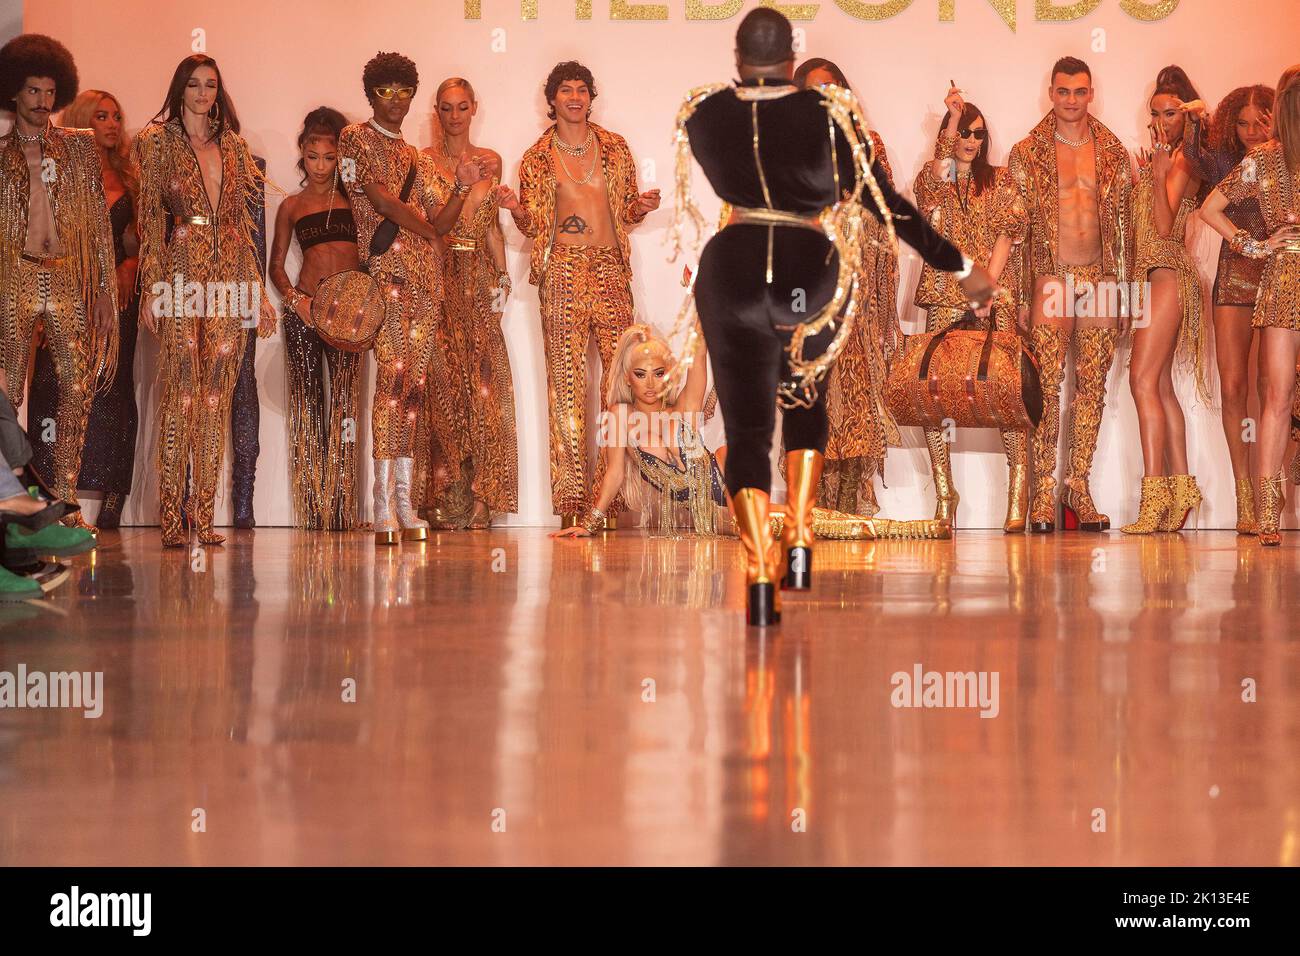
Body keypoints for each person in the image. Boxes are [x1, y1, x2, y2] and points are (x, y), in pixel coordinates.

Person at [674, 8, 993, 625]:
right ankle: (798, 531)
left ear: (739, 61)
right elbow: (892, 209)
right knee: (804, 406)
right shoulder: (832, 130)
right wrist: (959, 265)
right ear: (791, 68)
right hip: (800, 265)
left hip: (739, 265)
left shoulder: (709, 113)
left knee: (752, 426)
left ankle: (764, 562)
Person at [549, 325, 948, 540]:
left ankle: (910, 531)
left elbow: (699, 356)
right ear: (627, 378)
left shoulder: (682, 409)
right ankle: (900, 530)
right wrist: (590, 522)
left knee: (797, 523)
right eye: (640, 375)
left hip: (730, 474)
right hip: (719, 511)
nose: (650, 384)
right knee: (791, 522)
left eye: (658, 373)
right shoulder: (619, 417)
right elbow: (615, 474)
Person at [338, 51, 496, 544]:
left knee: (411, 393)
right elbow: (380, 200)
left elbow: (444, 225)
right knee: (389, 387)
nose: (395, 100)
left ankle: (405, 503)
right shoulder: (354, 139)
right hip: (387, 277)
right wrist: (427, 227)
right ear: (370, 94)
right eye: (385, 91)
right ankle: (381, 501)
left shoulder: (415, 157)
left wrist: (459, 189)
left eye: (404, 91)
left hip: (428, 284)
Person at [497, 60, 660, 528]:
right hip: (563, 272)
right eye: (565, 90)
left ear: (591, 97)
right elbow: (533, 224)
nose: (574, 97)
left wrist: (641, 206)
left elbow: (626, 211)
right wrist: (514, 210)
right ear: (552, 100)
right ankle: (571, 503)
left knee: (620, 384)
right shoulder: (536, 157)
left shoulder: (614, 148)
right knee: (565, 387)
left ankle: (611, 500)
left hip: (610, 267)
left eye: (582, 90)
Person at [133, 54, 276, 547]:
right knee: (180, 392)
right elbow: (150, 219)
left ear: (219, 90)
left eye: (210, 84)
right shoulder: (156, 144)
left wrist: (256, 292)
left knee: (216, 396)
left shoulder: (234, 148)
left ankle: (203, 514)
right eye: (193, 84)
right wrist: (152, 287)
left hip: (231, 269)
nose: (202, 93)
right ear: (179, 89)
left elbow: (244, 224)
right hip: (179, 268)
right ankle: (172, 516)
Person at [1008, 55, 1135, 534]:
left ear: (1091, 93)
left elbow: (1124, 227)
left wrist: (1124, 290)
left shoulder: (1113, 150)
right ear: (1051, 93)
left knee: (1092, 386)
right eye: (1063, 91)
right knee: (1043, 384)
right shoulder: (1028, 151)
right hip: (1052, 274)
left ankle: (1077, 487)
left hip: (1101, 277)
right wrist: (1021, 293)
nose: (1071, 101)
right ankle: (1042, 491)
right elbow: (1017, 231)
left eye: (1080, 91)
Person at [0, 34, 117, 534]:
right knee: (6, 394)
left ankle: (67, 503)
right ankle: (8, 507)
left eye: (49, 92)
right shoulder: (0, 155)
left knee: (76, 386)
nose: (43, 101)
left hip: (67, 275)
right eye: (32, 91)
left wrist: (105, 291)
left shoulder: (80, 148)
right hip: (15, 277)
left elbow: (97, 222)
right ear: (13, 93)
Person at [912, 82, 1029, 530]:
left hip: (992, 295)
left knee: (1006, 392)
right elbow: (929, 187)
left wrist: (986, 286)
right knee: (933, 392)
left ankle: (1017, 490)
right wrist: (952, 117)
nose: (971, 140)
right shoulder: (935, 178)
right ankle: (945, 494)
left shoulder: (1000, 180)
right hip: (944, 292)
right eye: (963, 130)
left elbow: (1009, 231)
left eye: (979, 133)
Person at [25, 88, 139, 532]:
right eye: (100, 116)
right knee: (55, 386)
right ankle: (47, 493)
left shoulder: (131, 178)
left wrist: (129, 266)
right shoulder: (59, 175)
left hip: (119, 295)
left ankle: (113, 497)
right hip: (67, 291)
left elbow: (143, 238)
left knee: (114, 385)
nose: (111, 124)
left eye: (115, 116)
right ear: (79, 121)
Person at [792, 57, 901, 517]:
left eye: (832, 87)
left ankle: (852, 510)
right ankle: (809, 507)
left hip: (856, 297)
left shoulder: (869, 145)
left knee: (856, 402)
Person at [1201, 65, 1300, 547]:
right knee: (1275, 398)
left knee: (1277, 399)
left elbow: (1208, 210)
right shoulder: (1263, 160)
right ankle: (1266, 510)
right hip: (1282, 278)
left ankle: (1267, 514)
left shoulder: (1264, 159)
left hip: (1281, 275)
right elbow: (1208, 210)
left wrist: (1258, 246)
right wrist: (1258, 246)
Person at [417, 77, 518, 531]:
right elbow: (427, 228)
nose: (454, 116)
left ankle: (484, 500)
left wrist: (503, 276)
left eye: (461, 107)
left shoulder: (490, 160)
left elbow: (493, 225)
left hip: (478, 278)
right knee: (442, 390)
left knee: (485, 391)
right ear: (435, 111)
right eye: (446, 108)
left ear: (474, 108)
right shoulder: (421, 164)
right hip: (438, 279)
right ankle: (445, 497)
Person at [1180, 84, 1276, 532]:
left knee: (1274, 388)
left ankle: (1269, 492)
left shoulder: (1287, 162)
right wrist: (1198, 119)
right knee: (1235, 388)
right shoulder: (1227, 163)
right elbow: (1196, 160)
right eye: (1243, 123)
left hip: (1281, 278)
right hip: (1236, 274)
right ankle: (1245, 498)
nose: (1253, 131)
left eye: (1263, 120)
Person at [1122, 66, 1210, 534]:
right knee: (1159, 387)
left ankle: (1152, 498)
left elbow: (1161, 227)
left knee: (1141, 381)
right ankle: (1181, 492)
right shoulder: (1170, 156)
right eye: (1154, 113)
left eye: (1170, 113)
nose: (1160, 121)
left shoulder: (1184, 161)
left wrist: (1155, 178)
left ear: (1187, 115)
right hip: (1156, 276)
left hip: (1169, 274)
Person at [269, 106, 362, 530]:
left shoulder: (357, 202)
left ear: (341, 156)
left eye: (329, 157)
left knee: (345, 408)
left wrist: (366, 307)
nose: (321, 166)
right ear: (302, 155)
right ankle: (313, 510)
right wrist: (294, 300)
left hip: (350, 319)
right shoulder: (291, 205)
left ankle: (342, 510)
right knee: (308, 406)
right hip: (305, 311)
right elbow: (274, 266)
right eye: (313, 156)